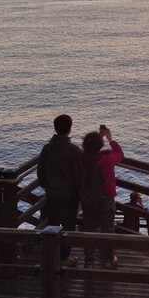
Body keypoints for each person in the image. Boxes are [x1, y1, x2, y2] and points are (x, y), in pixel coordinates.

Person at [37, 114, 82, 265]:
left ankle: (53, 256)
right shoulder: (74, 150)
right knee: (69, 225)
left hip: (52, 192)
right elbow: (78, 175)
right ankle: (64, 258)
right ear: (70, 129)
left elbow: (41, 171)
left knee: (53, 223)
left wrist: (46, 185)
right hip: (70, 194)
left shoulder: (47, 149)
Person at [80, 124, 124, 268]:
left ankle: (89, 259)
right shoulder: (105, 160)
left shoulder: (82, 158)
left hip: (88, 198)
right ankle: (108, 257)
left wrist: (99, 137)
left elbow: (90, 150)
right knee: (108, 227)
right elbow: (119, 154)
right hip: (105, 197)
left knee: (89, 227)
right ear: (100, 145)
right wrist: (110, 139)